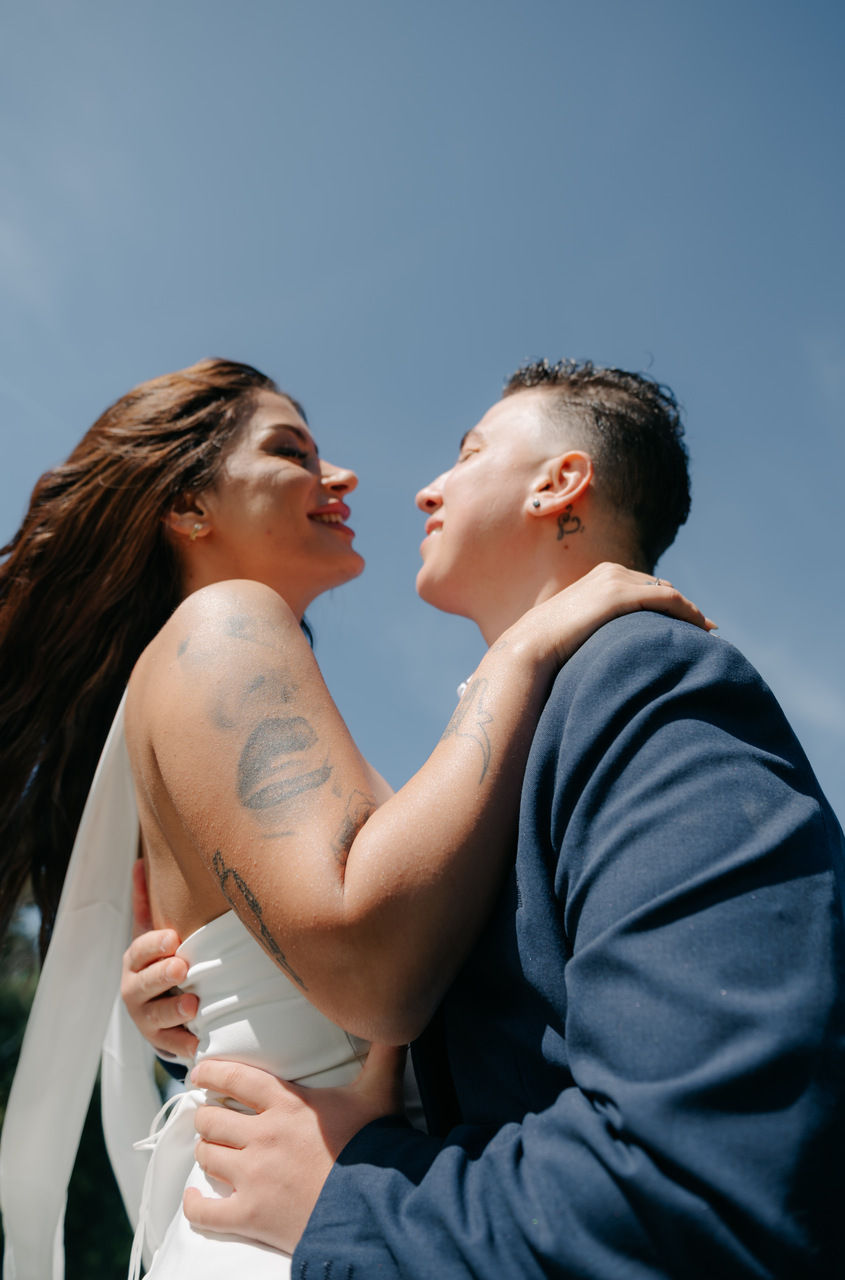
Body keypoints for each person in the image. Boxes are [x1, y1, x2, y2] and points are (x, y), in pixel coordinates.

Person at [134, 360, 845, 1277]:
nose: (423, 486)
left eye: (467, 454)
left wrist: (357, 1193)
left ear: (557, 482)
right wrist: (208, 984)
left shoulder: (648, 679)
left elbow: (720, 1178)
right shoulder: (497, 742)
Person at [0, 357, 707, 1280]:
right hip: (294, 1230)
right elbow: (371, 974)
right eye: (291, 450)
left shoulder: (227, 669)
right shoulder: (226, 622)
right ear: (189, 509)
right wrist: (522, 653)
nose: (344, 478)